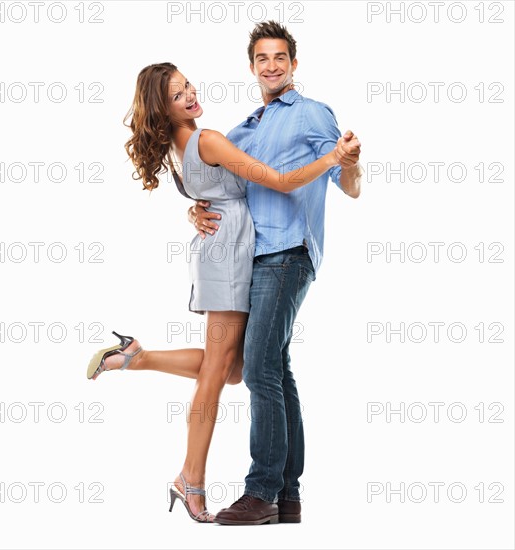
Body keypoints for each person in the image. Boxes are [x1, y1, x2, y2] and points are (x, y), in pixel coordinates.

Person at [85, 60, 357, 523]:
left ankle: (138, 356)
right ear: (164, 110)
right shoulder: (207, 139)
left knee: (233, 369)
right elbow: (280, 181)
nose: (190, 94)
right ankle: (191, 480)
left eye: (187, 84)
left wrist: (197, 213)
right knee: (218, 373)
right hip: (229, 257)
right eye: (176, 95)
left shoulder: (180, 148)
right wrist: (333, 158)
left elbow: (212, 196)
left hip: (225, 251)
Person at [187, 21, 363, 525]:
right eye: (262, 58)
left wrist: (351, 161)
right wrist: (194, 211)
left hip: (288, 252)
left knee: (259, 365)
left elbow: (348, 184)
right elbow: (219, 192)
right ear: (252, 67)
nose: (271, 66)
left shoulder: (312, 114)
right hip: (249, 257)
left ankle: (260, 490)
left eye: (280, 57)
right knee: (276, 371)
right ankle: (287, 496)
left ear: (293, 63)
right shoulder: (243, 130)